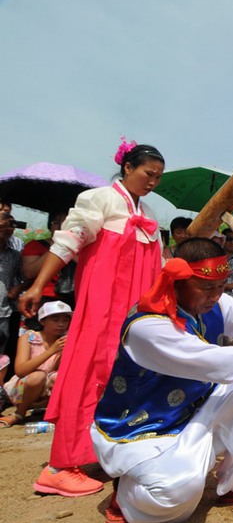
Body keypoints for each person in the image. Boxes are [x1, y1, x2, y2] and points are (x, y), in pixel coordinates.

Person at [90, 238, 233, 523]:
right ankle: (128, 493)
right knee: (172, 500)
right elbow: (221, 365)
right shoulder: (149, 326)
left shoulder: (211, 303)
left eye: (221, 287)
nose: (216, 296)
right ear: (178, 281)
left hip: (188, 412)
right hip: (143, 432)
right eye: (207, 287)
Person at [19, 139, 164, 497]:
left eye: (158, 177)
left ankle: (105, 450)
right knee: (87, 374)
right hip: (101, 309)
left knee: (127, 376)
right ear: (127, 167)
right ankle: (58, 467)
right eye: (148, 173)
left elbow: (158, 266)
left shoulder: (148, 214)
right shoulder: (98, 199)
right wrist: (38, 285)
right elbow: (67, 243)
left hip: (134, 314)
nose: (152, 182)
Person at [0, 301, 71, 427]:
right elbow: (20, 370)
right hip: (24, 388)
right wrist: (51, 351)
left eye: (65, 320)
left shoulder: (67, 340)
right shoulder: (28, 338)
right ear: (42, 321)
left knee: (61, 376)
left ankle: (57, 413)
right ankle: (19, 414)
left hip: (49, 389)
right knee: (38, 376)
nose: (61, 324)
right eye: (55, 319)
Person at [21, 211, 72, 307]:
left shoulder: (77, 248)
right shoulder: (35, 245)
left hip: (71, 296)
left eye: (66, 223)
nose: (61, 227)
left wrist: (69, 245)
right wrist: (56, 248)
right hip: (43, 296)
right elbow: (29, 273)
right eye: (56, 223)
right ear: (50, 225)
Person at [0, 213, 23, 352]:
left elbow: (27, 277)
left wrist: (18, 288)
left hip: (3, 313)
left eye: (11, 225)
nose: (8, 229)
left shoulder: (15, 255)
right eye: (3, 225)